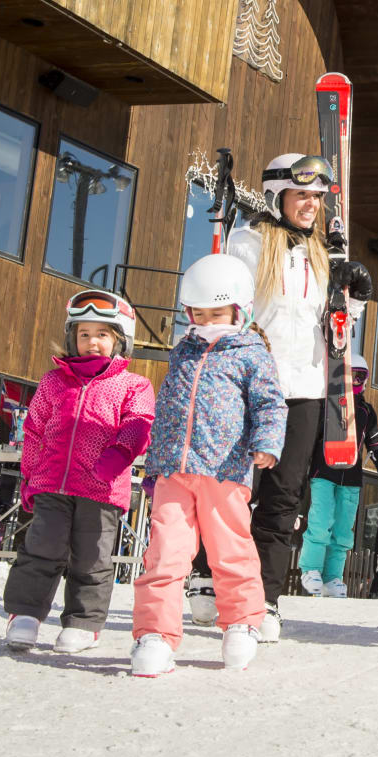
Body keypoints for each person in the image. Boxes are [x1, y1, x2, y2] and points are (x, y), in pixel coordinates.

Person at [187, 154, 373, 642]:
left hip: (306, 391)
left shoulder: (322, 255)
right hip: (249, 388)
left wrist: (353, 296)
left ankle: (263, 599)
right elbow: (230, 311)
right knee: (229, 489)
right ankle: (207, 575)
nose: (312, 204)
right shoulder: (246, 244)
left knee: (283, 500)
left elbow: (334, 330)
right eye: (302, 195)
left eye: (317, 196)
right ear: (277, 196)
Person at [131, 254, 286, 676]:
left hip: (225, 468)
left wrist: (267, 442)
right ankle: (155, 635)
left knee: (230, 549)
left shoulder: (251, 353)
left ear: (240, 311)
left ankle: (241, 623)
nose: (207, 320)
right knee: (164, 554)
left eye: (217, 313)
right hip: (175, 471)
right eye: (199, 314)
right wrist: (155, 464)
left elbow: (270, 403)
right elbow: (169, 408)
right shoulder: (183, 350)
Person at [2, 290, 155, 653]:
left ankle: (83, 623)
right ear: (73, 338)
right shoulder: (54, 382)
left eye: (102, 334)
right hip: (52, 485)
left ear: (120, 340)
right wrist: (29, 477)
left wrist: (120, 454)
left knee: (92, 557)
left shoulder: (133, 385)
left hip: (101, 489)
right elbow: (35, 431)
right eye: (84, 334)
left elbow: (139, 423)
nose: (92, 342)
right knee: (41, 548)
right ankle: (24, 614)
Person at [299, 353, 378, 597]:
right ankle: (311, 569)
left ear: (365, 381)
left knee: (344, 532)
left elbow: (377, 449)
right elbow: (310, 440)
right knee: (320, 523)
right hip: (323, 473)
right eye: (349, 376)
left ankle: (333, 577)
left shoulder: (367, 411)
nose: (354, 381)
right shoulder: (326, 404)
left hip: (351, 480)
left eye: (359, 377)